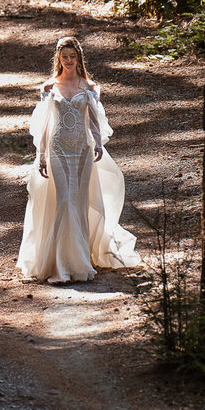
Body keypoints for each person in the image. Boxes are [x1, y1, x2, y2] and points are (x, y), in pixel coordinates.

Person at [18, 35, 139, 285]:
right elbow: (43, 125)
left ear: (79, 58)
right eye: (65, 57)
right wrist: (41, 156)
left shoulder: (90, 88)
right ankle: (60, 264)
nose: (69, 60)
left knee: (80, 202)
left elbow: (94, 120)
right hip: (57, 149)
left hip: (83, 150)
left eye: (73, 56)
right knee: (63, 201)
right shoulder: (49, 88)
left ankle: (80, 260)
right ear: (59, 59)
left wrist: (97, 144)